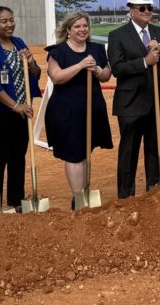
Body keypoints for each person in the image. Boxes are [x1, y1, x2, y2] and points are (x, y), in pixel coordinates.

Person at [107, 0, 160, 199]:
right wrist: (144, 62)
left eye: (149, 8)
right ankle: (126, 197)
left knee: (155, 151)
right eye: (142, 8)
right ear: (131, 10)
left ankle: (154, 193)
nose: (147, 11)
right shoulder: (117, 35)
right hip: (130, 103)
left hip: (157, 101)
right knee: (129, 152)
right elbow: (117, 68)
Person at [45, 11, 112, 205]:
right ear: (68, 30)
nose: (82, 30)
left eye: (85, 26)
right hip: (66, 110)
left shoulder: (96, 49)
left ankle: (84, 192)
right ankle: (78, 197)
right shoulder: (58, 52)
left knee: (84, 151)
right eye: (77, 27)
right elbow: (56, 77)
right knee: (73, 154)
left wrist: (98, 70)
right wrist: (81, 65)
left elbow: (106, 75)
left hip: (91, 108)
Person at [0, 6, 42, 212]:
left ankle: (16, 201)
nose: (10, 24)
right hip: (1, 113)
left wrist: (31, 61)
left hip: (23, 111)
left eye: (11, 19)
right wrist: (15, 106)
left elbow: (35, 74)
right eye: (4, 21)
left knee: (18, 158)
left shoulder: (19, 43)